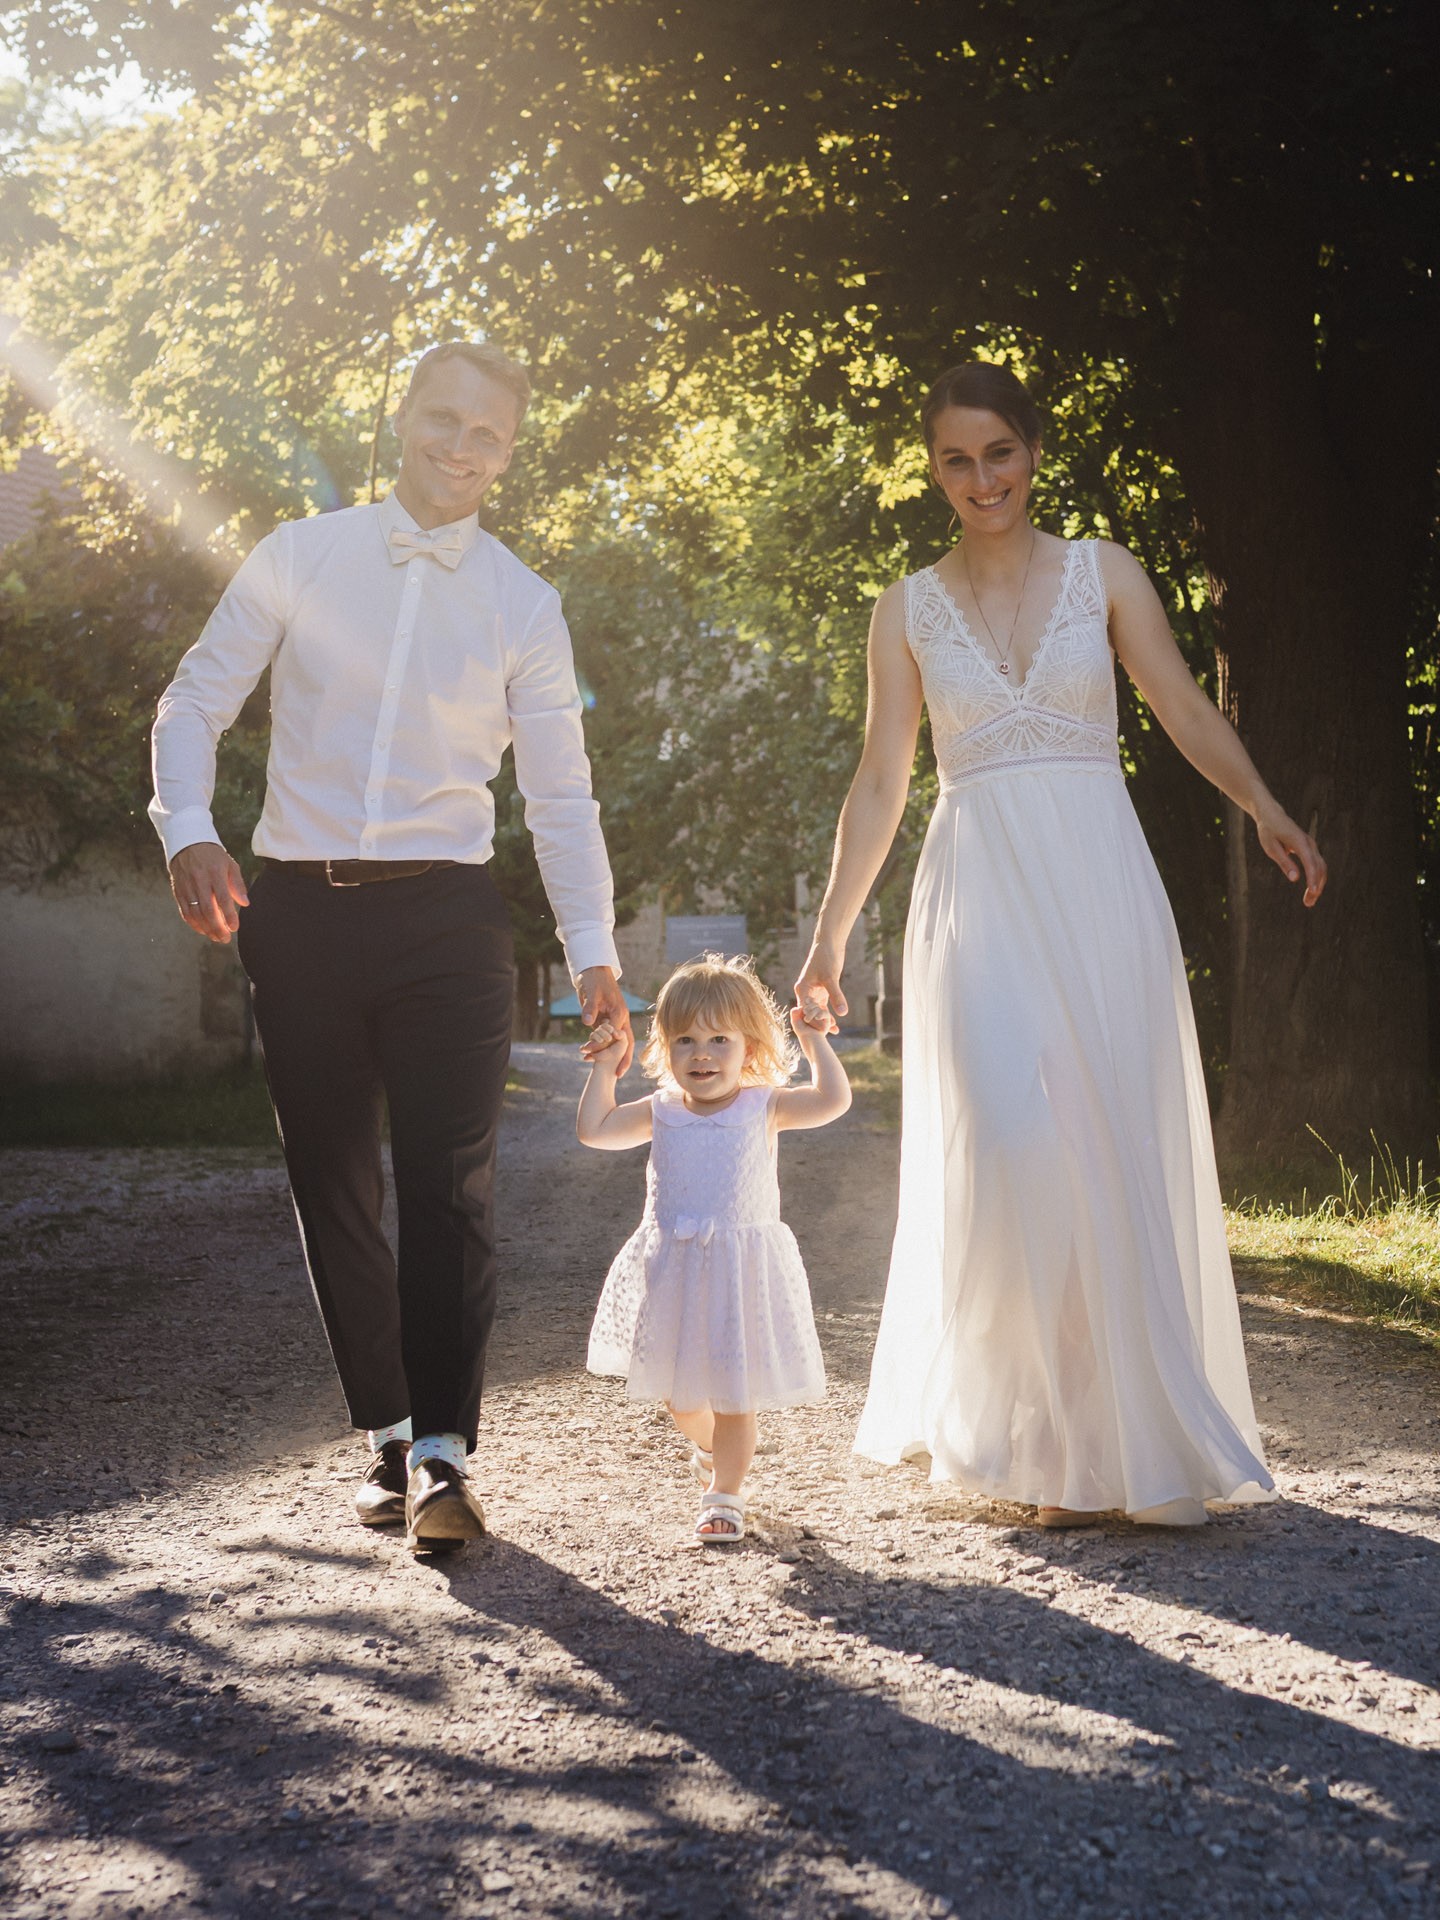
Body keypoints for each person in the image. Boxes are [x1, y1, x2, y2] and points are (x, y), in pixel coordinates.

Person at [795, 362, 1326, 1529]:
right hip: (977, 894)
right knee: (1013, 1140)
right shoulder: (905, 609)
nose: (982, 478)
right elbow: (882, 779)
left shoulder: (1105, 573)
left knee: (1099, 1145)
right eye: (957, 459)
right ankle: (1042, 1434)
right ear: (934, 471)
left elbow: (1183, 707)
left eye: (1000, 452)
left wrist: (1262, 805)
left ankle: (1103, 1447)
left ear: (1034, 451)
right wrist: (830, 938)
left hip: (1098, 881)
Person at [149, 340, 633, 1554]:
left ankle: (443, 1458)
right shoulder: (299, 554)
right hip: (298, 913)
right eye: (445, 419)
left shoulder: (523, 603)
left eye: (489, 435)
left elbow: (560, 797)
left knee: (450, 1180)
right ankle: (387, 1433)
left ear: (507, 456)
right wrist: (188, 830)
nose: (462, 448)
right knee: (332, 1178)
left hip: (448, 917)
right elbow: (194, 700)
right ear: (404, 414)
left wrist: (593, 952)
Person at [578, 955, 851, 1542]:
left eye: (719, 1039)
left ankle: (725, 1492)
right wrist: (603, 1068)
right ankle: (711, 1448)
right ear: (666, 1048)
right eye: (686, 1040)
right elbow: (595, 1130)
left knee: (733, 1394)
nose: (701, 1054)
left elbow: (832, 1100)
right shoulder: (661, 1111)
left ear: (749, 1047)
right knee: (680, 1399)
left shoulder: (764, 1105)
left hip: (738, 1275)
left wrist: (814, 1041)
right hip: (676, 1274)